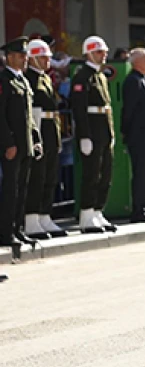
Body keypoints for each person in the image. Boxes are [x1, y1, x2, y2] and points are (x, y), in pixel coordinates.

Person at [70, 36, 117, 233]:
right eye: (99, 52)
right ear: (88, 53)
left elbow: (107, 108)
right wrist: (84, 135)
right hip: (92, 132)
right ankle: (86, 213)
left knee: (105, 173)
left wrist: (111, 133)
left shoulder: (100, 76)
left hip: (103, 132)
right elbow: (79, 110)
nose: (103, 55)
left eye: (104, 52)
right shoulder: (82, 77)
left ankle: (98, 210)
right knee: (91, 174)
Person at [0, 37, 42, 247]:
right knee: (11, 190)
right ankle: (6, 232)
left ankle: (18, 228)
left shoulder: (23, 80)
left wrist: (36, 139)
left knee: (23, 188)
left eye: (25, 55)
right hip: (13, 145)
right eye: (20, 56)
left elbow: (29, 117)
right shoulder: (4, 80)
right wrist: (8, 143)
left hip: (25, 144)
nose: (25, 59)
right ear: (9, 57)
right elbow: (1, 115)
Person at [23, 39, 67, 239]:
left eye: (48, 57)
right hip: (38, 130)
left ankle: (44, 215)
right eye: (42, 57)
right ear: (32, 58)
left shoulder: (45, 78)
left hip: (50, 130)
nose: (47, 60)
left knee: (50, 177)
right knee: (37, 178)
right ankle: (31, 219)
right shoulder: (28, 79)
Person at [121, 49, 145, 223]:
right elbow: (129, 109)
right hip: (139, 135)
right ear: (137, 62)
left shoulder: (144, 80)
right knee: (141, 173)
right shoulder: (132, 81)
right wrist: (126, 131)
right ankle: (138, 209)